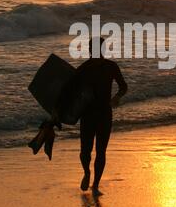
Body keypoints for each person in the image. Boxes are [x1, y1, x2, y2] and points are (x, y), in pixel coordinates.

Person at [53, 37, 127, 196]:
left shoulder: (111, 67)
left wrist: (116, 97)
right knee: (85, 152)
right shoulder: (84, 69)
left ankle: (95, 184)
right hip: (87, 114)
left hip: (105, 113)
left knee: (101, 151)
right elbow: (68, 92)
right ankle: (86, 172)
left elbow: (123, 86)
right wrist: (57, 112)